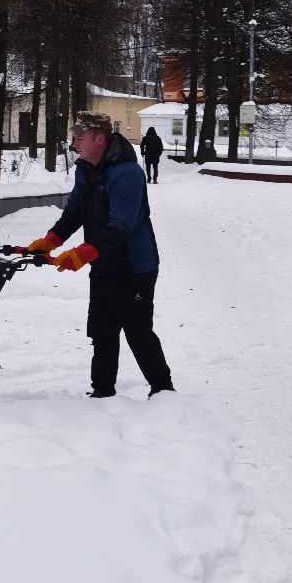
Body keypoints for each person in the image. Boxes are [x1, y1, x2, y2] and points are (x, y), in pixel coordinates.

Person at [21, 111, 174, 397]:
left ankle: (162, 389)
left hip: (133, 267)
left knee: (138, 332)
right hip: (103, 263)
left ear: (99, 139)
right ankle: (102, 392)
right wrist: (50, 241)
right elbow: (75, 211)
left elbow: (121, 226)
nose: (74, 143)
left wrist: (81, 254)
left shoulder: (127, 173)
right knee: (102, 331)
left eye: (79, 137)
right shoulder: (86, 168)